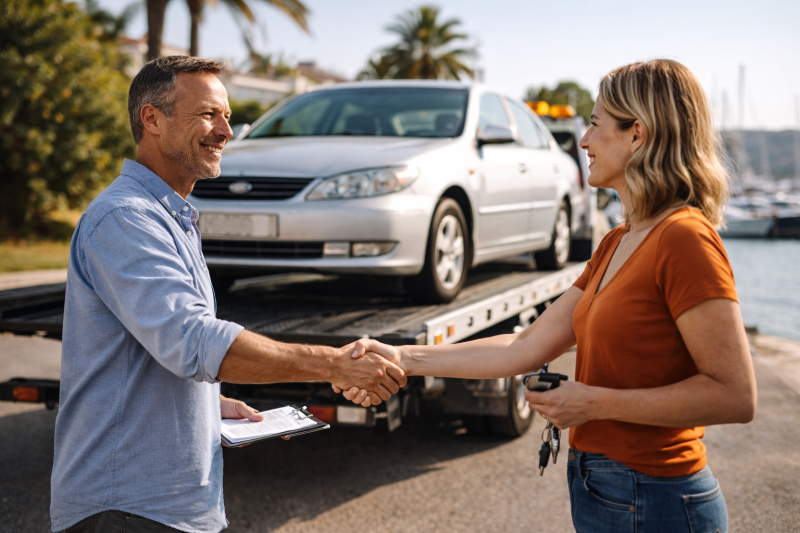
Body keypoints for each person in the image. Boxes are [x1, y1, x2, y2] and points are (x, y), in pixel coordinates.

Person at [339, 59, 756, 533]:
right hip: (606, 488)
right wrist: (402, 357)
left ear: (636, 134)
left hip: (656, 497)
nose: (583, 142)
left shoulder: (685, 238)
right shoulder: (618, 241)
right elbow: (526, 344)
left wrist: (594, 403)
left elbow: (734, 395)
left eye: (595, 125)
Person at [51, 56, 406, 533]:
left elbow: (150, 349)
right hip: (129, 508)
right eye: (207, 115)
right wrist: (333, 363)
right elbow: (193, 339)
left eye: (227, 117)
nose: (225, 131)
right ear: (151, 119)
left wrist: (207, 403)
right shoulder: (126, 218)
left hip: (169, 509)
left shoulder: (172, 216)